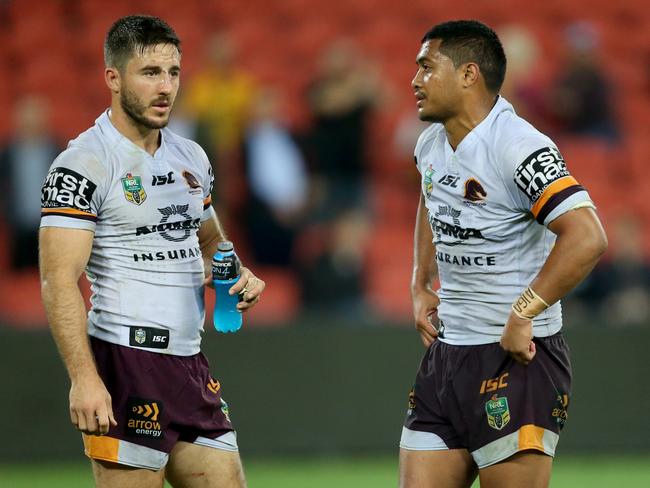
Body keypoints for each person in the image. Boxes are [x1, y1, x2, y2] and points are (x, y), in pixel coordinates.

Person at [39, 16, 265, 488]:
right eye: (150, 73)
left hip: (190, 362)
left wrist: (236, 273)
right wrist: (83, 378)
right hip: (125, 362)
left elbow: (209, 244)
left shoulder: (191, 157)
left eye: (173, 72)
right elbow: (58, 279)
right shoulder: (84, 164)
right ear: (113, 78)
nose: (165, 87)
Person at [399, 21, 607, 488]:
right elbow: (430, 199)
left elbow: (587, 236)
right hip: (447, 356)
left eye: (426, 68)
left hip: (517, 361)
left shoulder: (518, 146)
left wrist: (523, 311)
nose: (414, 81)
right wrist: (419, 282)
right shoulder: (430, 143)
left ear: (469, 74)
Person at [0, 95, 59, 269]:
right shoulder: (7, 153)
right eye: (26, 117)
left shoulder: (57, 150)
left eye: (35, 117)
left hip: (51, 227)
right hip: (18, 228)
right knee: (21, 283)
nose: (31, 122)